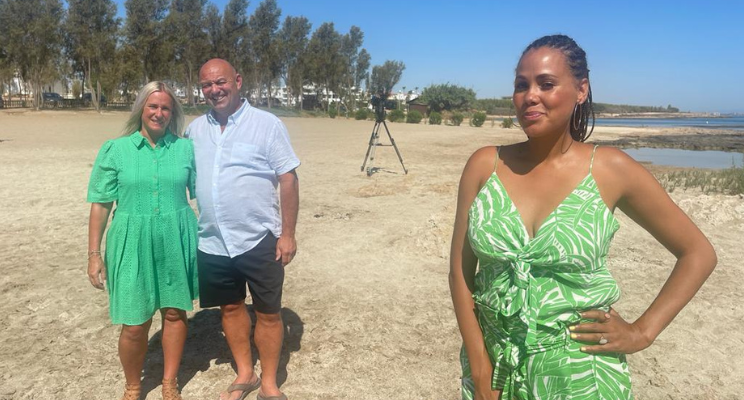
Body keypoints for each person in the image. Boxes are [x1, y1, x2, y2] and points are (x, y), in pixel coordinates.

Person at [449, 35, 717, 400]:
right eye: (521, 85)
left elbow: (698, 253)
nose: (530, 96)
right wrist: (480, 366)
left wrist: (642, 332)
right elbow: (460, 272)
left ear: (581, 90)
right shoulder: (485, 165)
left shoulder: (609, 169)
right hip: (496, 367)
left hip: (581, 374)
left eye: (546, 84)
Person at [185, 58, 300, 400]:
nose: (214, 90)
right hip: (213, 241)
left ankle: (269, 383)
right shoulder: (194, 130)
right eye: (206, 85)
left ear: (237, 81)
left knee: (268, 313)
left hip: (259, 239)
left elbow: (288, 178)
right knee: (231, 308)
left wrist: (288, 234)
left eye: (220, 82)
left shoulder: (266, 124)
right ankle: (246, 373)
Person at [87, 81, 197, 400]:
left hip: (176, 237)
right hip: (131, 239)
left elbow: (204, 195)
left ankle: (169, 382)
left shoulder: (186, 149)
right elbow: (101, 204)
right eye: (153, 106)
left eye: (165, 108)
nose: (159, 113)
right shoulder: (116, 149)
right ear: (140, 109)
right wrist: (94, 254)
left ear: (172, 113)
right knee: (135, 322)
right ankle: (133, 385)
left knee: (175, 313)